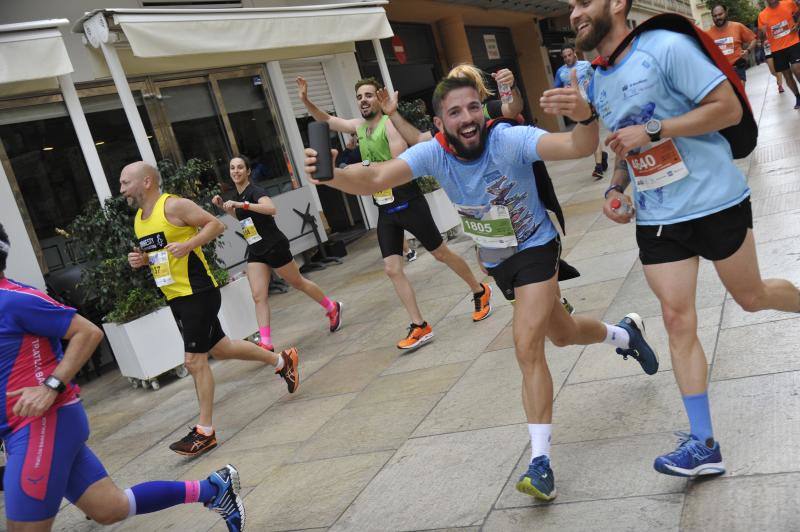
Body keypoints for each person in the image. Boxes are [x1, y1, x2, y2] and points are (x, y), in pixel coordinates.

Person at [304, 73, 659, 502]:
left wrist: (584, 115)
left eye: (473, 107)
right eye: (455, 112)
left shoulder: (507, 139)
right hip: (498, 260)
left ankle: (540, 462)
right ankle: (625, 333)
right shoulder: (433, 153)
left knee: (526, 344)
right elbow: (377, 176)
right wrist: (330, 178)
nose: (467, 118)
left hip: (536, 247)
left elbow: (578, 147)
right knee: (561, 334)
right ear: (440, 121)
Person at [569, 0, 800, 477]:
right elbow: (621, 143)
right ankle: (703, 444)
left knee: (752, 297)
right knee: (676, 319)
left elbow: (727, 108)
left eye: (583, 1)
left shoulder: (666, 47)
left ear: (617, 4)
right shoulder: (594, 76)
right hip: (657, 215)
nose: (574, 12)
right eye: (570, 4)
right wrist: (616, 187)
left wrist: (655, 129)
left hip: (714, 201)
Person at [0, 224, 245, 532]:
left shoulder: (13, 300)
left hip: (42, 423)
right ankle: (213, 489)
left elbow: (87, 332)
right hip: (20, 429)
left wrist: (50, 386)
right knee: (110, 508)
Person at [297, 76, 492, 351]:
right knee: (392, 268)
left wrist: (360, 170)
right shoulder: (358, 127)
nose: (363, 101)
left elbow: (399, 166)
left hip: (408, 201)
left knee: (440, 254)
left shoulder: (389, 127)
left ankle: (479, 290)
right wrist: (305, 101)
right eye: (359, 97)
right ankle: (419, 324)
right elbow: (328, 119)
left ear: (378, 98)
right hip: (385, 208)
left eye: (368, 95)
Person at [121, 161, 300, 458]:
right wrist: (142, 260)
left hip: (197, 292)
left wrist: (190, 244)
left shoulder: (175, 206)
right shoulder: (140, 218)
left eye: (126, 182)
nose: (122, 188)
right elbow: (160, 254)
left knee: (194, 361)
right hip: (175, 295)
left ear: (147, 182)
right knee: (223, 348)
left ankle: (205, 432)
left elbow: (215, 225)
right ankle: (282, 361)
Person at [213, 155, 342, 351]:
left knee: (297, 282)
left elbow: (271, 209)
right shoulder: (238, 196)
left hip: (273, 245)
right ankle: (266, 342)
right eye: (232, 168)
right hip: (256, 249)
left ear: (248, 171)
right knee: (258, 296)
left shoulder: (255, 191)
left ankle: (332, 307)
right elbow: (242, 217)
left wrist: (243, 205)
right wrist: (224, 206)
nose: (236, 171)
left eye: (240, 167)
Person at [554, 47, 609, 180]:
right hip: (576, 107)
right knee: (588, 135)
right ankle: (602, 156)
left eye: (569, 55)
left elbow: (598, 80)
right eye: (565, 56)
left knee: (593, 132)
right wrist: (563, 90)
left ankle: (598, 167)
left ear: (574, 55)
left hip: (589, 103)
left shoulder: (586, 66)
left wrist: (595, 96)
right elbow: (556, 89)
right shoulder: (560, 72)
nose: (567, 58)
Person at [758, 0, 800, 108]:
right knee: (787, 75)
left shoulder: (789, 3)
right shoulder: (762, 15)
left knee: (797, 69)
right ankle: (798, 97)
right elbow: (761, 36)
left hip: (793, 43)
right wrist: (762, 33)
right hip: (777, 50)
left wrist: (797, 24)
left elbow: (798, 12)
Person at [706, 5, 758, 85]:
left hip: (737, 67)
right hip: (720, 72)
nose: (718, 17)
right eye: (715, 16)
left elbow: (753, 39)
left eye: (720, 14)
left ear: (726, 13)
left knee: (739, 95)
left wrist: (748, 51)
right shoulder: (708, 34)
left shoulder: (737, 26)